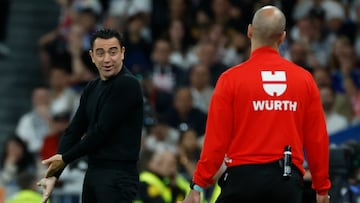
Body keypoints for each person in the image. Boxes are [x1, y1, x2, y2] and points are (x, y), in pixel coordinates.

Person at [180, 5, 331, 203]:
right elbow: (317, 140)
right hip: (286, 184)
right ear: (283, 37)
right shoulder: (304, 80)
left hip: (242, 181)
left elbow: (216, 140)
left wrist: (198, 184)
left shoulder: (230, 79)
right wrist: (321, 188)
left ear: (250, 31)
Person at [37, 28, 144, 203]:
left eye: (113, 52)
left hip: (118, 177)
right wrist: (53, 175)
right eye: (100, 53)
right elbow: (74, 130)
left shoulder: (128, 84)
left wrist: (65, 159)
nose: (107, 59)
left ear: (123, 53)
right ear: (92, 56)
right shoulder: (92, 87)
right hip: (93, 173)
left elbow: (100, 132)